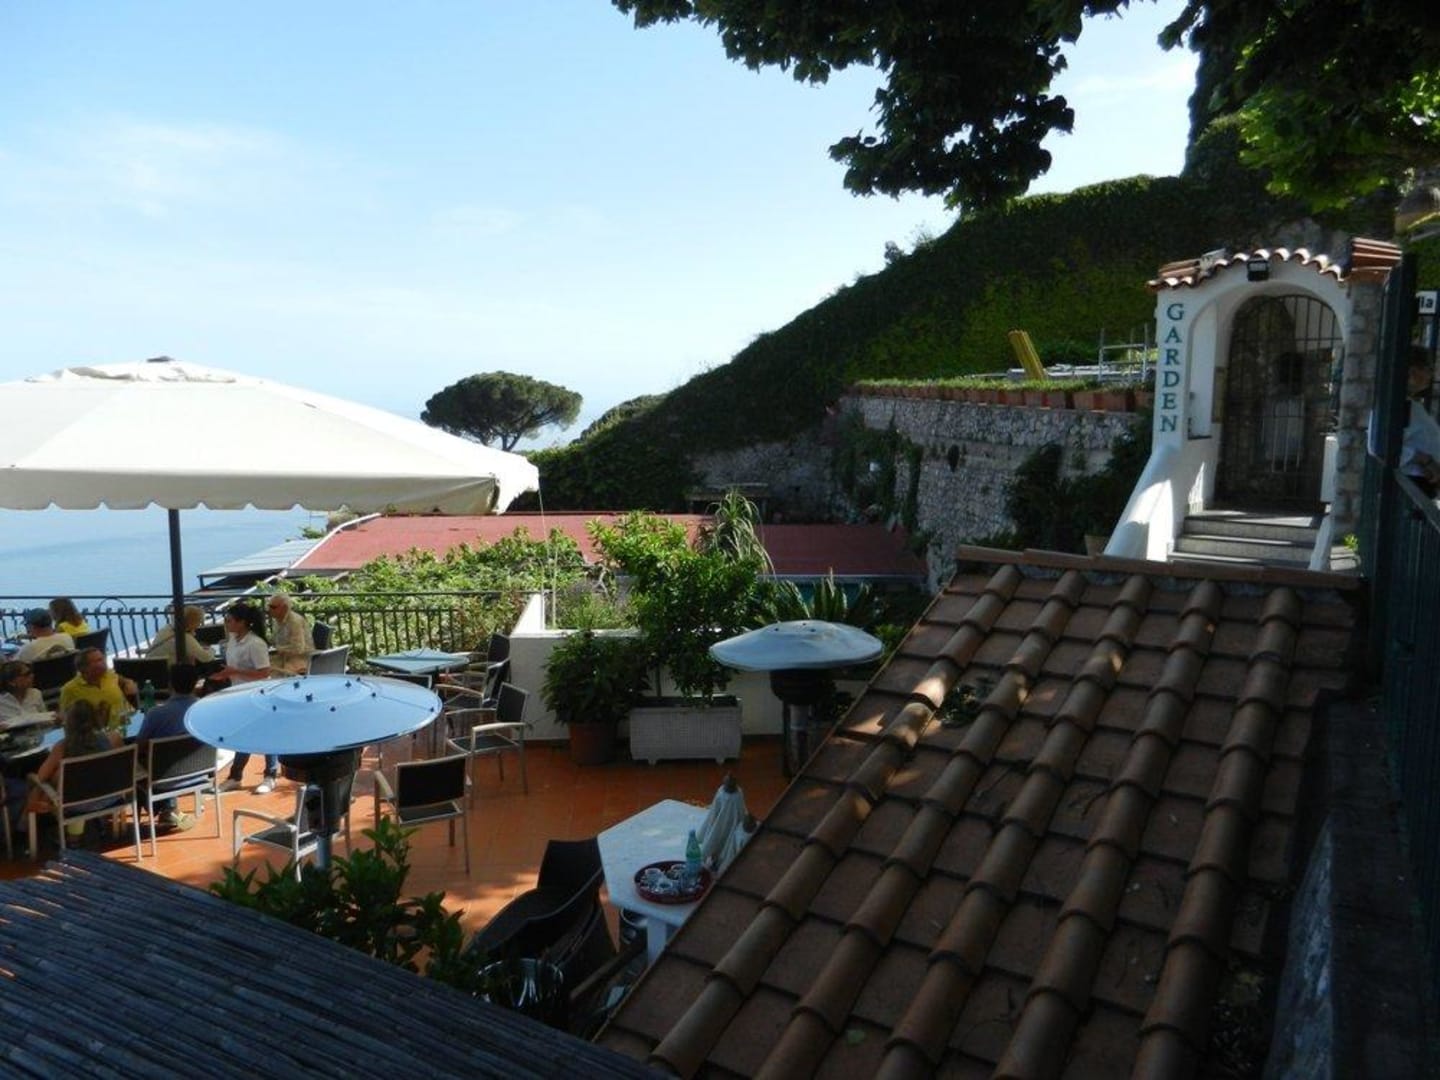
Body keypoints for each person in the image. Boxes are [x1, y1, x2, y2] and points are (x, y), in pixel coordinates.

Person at [23, 699, 121, 841]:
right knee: (59, 779)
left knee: (39, 783)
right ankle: (75, 834)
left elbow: (41, 776)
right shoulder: (113, 738)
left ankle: (26, 833)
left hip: (76, 806)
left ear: (68, 722)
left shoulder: (62, 747)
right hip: (110, 798)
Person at [213, 603, 278, 794]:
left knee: (266, 735)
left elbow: (264, 672)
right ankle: (235, 776)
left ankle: (270, 775)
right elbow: (233, 668)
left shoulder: (255, 644)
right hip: (239, 694)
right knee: (244, 734)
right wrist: (225, 674)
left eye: (229, 620)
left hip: (258, 694)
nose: (226, 624)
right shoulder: (233, 640)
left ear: (241, 622)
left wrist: (235, 672)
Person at [132, 662, 200, 831]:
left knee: (132, 764)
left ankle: (162, 808)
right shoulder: (204, 709)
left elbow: (138, 748)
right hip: (198, 772)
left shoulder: (156, 714)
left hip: (165, 778)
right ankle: (168, 808)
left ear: (170, 685)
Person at [57, 647, 137, 725]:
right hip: (98, 730)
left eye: (103, 658)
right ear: (84, 667)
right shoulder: (69, 689)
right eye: (98, 660)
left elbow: (123, 681)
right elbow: (65, 717)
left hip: (127, 722)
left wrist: (128, 683)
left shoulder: (109, 675)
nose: (104, 662)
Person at [1401, 346, 1440, 497]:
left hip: (1423, 483)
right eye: (1428, 369)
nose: (1431, 375)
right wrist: (1425, 460)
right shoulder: (1400, 405)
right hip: (1413, 484)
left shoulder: (1409, 403)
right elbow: (1383, 447)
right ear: (1412, 371)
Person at [145, 604, 216, 665]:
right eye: (199, 622)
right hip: (165, 672)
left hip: (151, 666)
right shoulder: (184, 638)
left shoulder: (167, 628)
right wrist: (212, 649)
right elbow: (205, 657)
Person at [266, 594, 314, 675]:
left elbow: (298, 648)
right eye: (269, 606)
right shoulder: (278, 620)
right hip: (283, 657)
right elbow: (274, 640)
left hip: (299, 659)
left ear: (284, 608)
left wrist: (278, 650)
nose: (269, 610)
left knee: (267, 671)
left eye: (273, 607)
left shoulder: (295, 622)